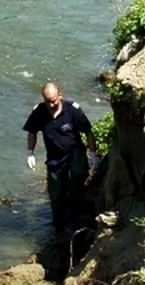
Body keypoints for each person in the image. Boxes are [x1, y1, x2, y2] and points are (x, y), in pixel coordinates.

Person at [23, 82, 99, 233]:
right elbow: (32, 131)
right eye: (47, 101)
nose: (51, 105)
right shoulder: (39, 112)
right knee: (56, 193)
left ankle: (76, 204)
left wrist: (93, 154)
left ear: (60, 95)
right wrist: (30, 153)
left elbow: (88, 132)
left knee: (79, 175)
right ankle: (58, 225)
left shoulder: (73, 110)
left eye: (54, 101)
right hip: (55, 157)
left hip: (74, 150)